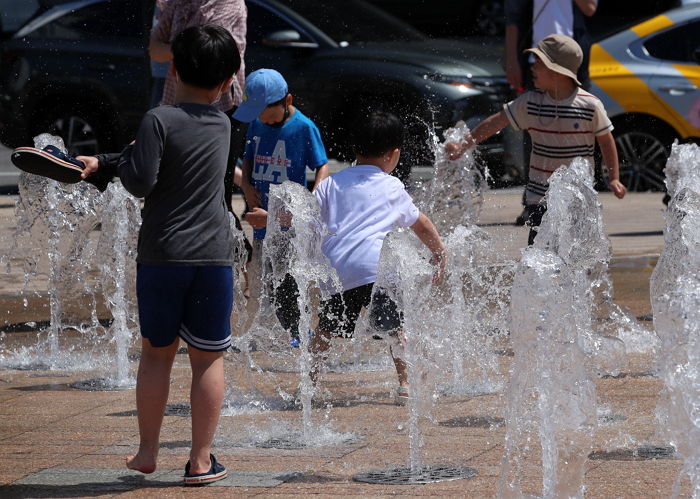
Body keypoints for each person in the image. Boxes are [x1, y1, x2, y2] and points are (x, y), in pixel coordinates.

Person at [78, 25, 240, 485]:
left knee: (156, 356)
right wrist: (112, 160)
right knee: (208, 358)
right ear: (229, 80)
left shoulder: (157, 118)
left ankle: (147, 453)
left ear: (172, 67)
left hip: (164, 255)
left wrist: (105, 167)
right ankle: (202, 461)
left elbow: (141, 180)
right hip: (213, 257)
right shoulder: (224, 125)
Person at [310, 110, 446, 406]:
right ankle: (405, 385)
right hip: (376, 270)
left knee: (324, 330)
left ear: (355, 149)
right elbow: (419, 222)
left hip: (339, 271)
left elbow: (308, 223)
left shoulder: (330, 184)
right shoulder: (392, 186)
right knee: (396, 330)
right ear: (393, 154)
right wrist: (439, 251)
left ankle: (308, 383)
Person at [446, 34, 626, 245]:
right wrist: (463, 144)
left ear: (557, 71)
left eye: (538, 62)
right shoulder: (530, 103)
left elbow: (606, 141)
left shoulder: (589, 106)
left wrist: (613, 177)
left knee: (577, 256)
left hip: (577, 199)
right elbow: (496, 122)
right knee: (540, 254)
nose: (532, 67)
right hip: (539, 198)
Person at [234, 68, 330, 347]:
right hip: (261, 212)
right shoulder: (256, 124)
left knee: (287, 278)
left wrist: (312, 200)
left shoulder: (303, 128)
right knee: (262, 272)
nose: (261, 117)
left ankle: (297, 333)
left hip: (289, 218)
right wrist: (247, 186)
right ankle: (266, 332)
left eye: (265, 111)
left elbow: (322, 165)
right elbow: (248, 158)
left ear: (287, 100)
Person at [505, 0, 597, 225]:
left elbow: (590, 8)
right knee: (536, 133)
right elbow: (513, 19)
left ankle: (579, 201)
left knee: (578, 132)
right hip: (536, 63)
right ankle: (533, 203)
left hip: (573, 66)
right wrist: (511, 59)